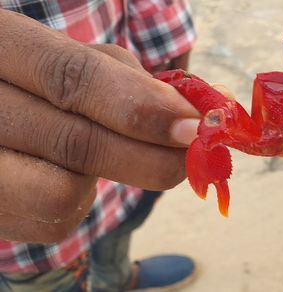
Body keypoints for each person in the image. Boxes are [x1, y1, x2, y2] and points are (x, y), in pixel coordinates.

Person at [0, 1, 204, 290]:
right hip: (23, 219)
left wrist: (171, 41)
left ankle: (118, 279)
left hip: (128, 171)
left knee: (120, 232)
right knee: (47, 277)